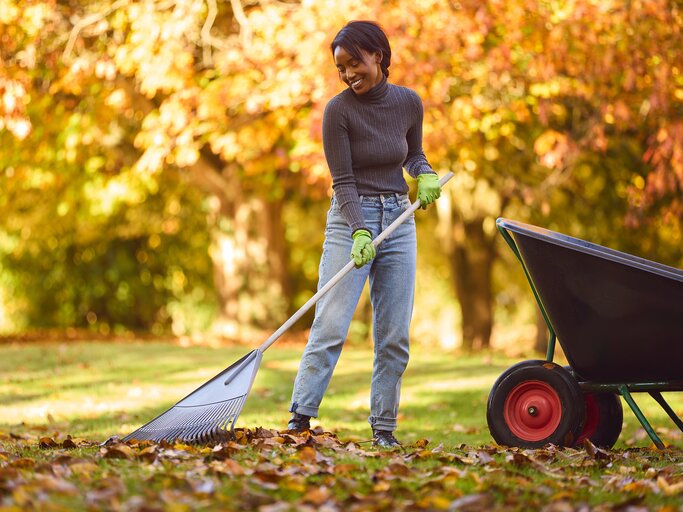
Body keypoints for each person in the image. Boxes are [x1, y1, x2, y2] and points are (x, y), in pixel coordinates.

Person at [287, 20, 441, 448]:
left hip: (398, 219)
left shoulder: (409, 103)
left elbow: (413, 155)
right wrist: (358, 231)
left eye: (354, 62)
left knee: (394, 334)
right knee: (332, 324)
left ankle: (384, 429)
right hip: (349, 220)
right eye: (341, 68)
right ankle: (300, 419)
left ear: (379, 55)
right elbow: (343, 181)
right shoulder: (339, 111)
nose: (348, 73)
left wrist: (424, 174)